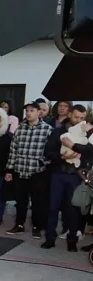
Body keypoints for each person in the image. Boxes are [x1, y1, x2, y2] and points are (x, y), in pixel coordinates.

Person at [41, 105, 87, 252]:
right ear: (69, 114)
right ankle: (50, 239)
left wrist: (83, 163)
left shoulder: (85, 134)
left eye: (81, 118)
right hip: (57, 174)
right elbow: (48, 152)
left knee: (73, 209)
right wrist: (61, 157)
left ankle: (72, 240)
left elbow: (89, 154)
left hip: (75, 175)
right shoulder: (58, 131)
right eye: (76, 117)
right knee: (52, 207)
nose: (78, 120)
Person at [5, 101, 54, 238]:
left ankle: (37, 226)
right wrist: (9, 169)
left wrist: (42, 162)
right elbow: (13, 150)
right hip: (20, 169)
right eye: (27, 111)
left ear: (39, 112)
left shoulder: (47, 129)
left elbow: (51, 150)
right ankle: (19, 224)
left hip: (37, 171)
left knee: (37, 201)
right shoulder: (20, 129)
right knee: (20, 200)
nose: (28, 113)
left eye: (32, 110)